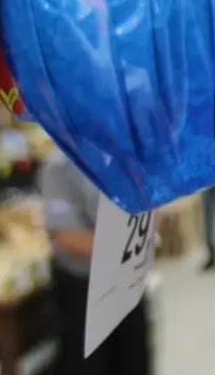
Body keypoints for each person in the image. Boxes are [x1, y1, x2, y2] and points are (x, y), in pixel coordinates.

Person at [40, 151, 152, 375]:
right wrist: (128, 246)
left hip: (127, 286)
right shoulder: (60, 166)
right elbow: (68, 237)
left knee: (134, 362)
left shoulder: (122, 155)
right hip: (86, 293)